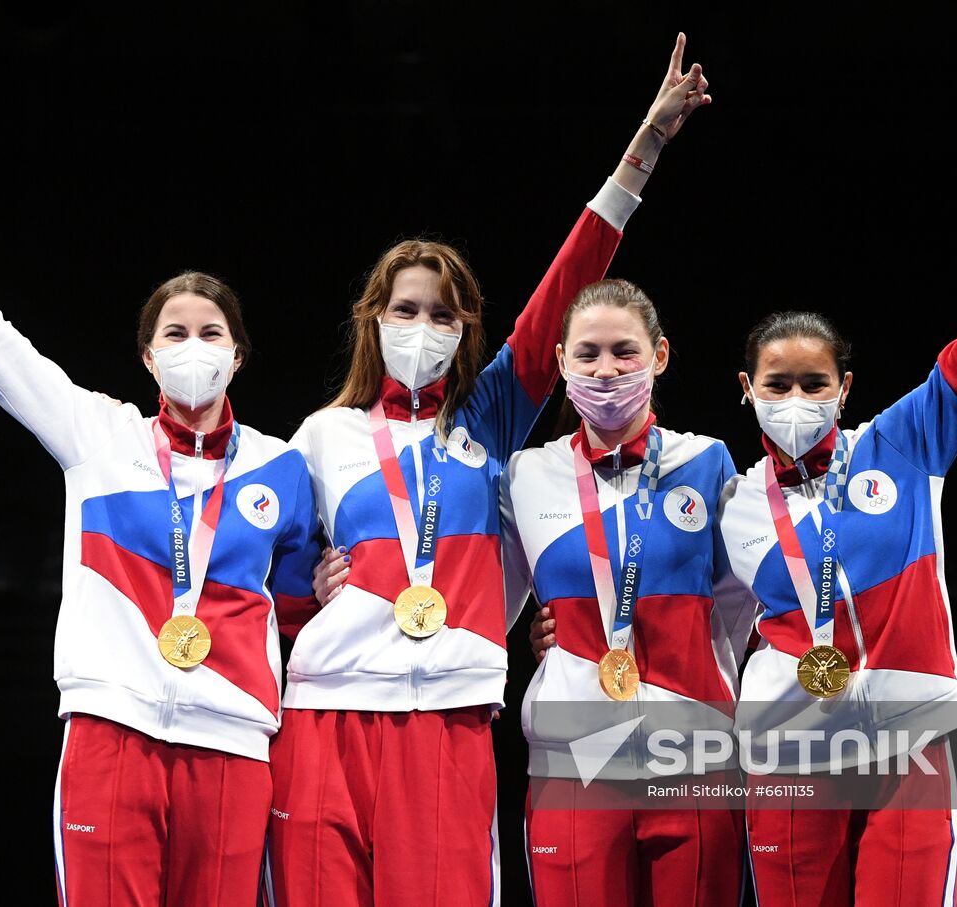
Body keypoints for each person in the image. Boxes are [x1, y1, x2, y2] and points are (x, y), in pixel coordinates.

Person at [533, 97, 957, 905]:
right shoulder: (729, 499)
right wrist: (561, 623)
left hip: (909, 750)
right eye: (777, 384)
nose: (796, 398)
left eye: (813, 383)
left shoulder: (905, 445)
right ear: (746, 392)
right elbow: (659, 592)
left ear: (845, 387)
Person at [0, 120, 321, 906]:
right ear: (147, 356)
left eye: (210, 332)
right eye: (173, 332)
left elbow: (299, 603)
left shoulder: (283, 465)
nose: (193, 344)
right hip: (110, 737)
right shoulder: (98, 434)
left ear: (238, 354)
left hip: (233, 744)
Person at [269, 34, 713, 907]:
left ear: (466, 329)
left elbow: (568, 281)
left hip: (451, 714)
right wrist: (308, 587)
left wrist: (646, 146)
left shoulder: (492, 419)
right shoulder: (318, 436)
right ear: (374, 320)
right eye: (406, 309)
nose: (423, 325)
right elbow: (261, 574)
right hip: (324, 711)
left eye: (442, 312)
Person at [499, 278, 758, 906]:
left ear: (660, 356)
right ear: (560, 363)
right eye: (586, 354)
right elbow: (488, 593)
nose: (606, 369)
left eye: (625, 351)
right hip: (573, 764)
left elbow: (738, 603)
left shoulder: (708, 461)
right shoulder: (528, 473)